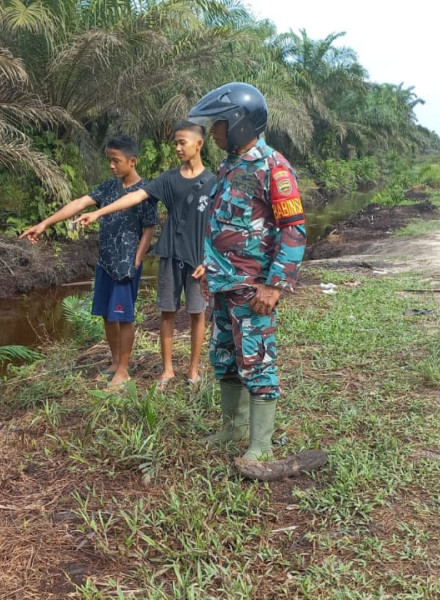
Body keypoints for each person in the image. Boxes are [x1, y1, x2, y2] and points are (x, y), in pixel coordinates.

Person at [187, 82, 307, 464]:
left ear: (239, 122)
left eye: (219, 125)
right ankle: (232, 428)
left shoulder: (274, 167)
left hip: (253, 288)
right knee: (224, 357)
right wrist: (209, 263)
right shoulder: (229, 165)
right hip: (223, 284)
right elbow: (225, 222)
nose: (214, 132)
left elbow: (294, 229)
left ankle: (261, 444)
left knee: (257, 360)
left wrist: (274, 285)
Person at [74, 122, 217, 390]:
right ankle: (167, 370)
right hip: (170, 254)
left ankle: (194, 370)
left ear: (199, 144)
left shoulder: (213, 182)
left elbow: (219, 224)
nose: (177, 147)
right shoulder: (168, 179)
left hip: (199, 260)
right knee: (167, 312)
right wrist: (99, 212)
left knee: (197, 313)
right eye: (175, 142)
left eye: (182, 142)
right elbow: (135, 197)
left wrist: (210, 260)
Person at [20, 135, 157, 388]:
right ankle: (115, 362)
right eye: (109, 161)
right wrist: (44, 223)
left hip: (126, 265)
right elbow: (80, 203)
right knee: (106, 314)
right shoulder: (108, 187)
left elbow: (149, 230)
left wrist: (138, 259)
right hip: (105, 262)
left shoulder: (146, 191)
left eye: (116, 161)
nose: (112, 166)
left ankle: (124, 371)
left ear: (133, 161)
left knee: (124, 317)